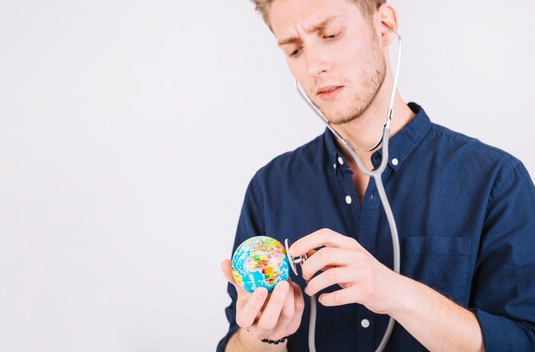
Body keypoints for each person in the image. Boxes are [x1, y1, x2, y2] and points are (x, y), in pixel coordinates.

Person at [217, 0, 535, 351]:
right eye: (294, 50)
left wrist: (395, 293)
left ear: (384, 25)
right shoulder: (271, 188)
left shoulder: (496, 182)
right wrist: (265, 337)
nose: (313, 65)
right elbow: (238, 342)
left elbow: (524, 341)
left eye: (331, 34)